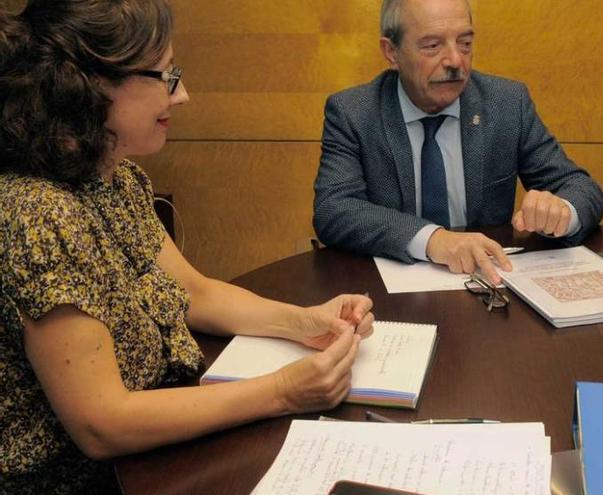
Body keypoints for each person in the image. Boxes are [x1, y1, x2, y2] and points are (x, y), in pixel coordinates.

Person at [0, 1, 374, 493]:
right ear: (88, 86)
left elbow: (195, 292)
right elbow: (102, 424)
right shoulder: (35, 214)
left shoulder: (116, 178)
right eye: (166, 76)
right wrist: (284, 391)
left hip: (160, 451)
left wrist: (303, 322)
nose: (183, 95)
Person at [313, 0, 603, 284]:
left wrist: (562, 211)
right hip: (387, 298)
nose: (455, 61)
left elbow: (582, 188)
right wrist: (434, 240)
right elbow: (335, 209)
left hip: (486, 288)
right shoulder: (354, 112)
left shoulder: (506, 104)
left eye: (465, 43)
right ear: (392, 51)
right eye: (432, 46)